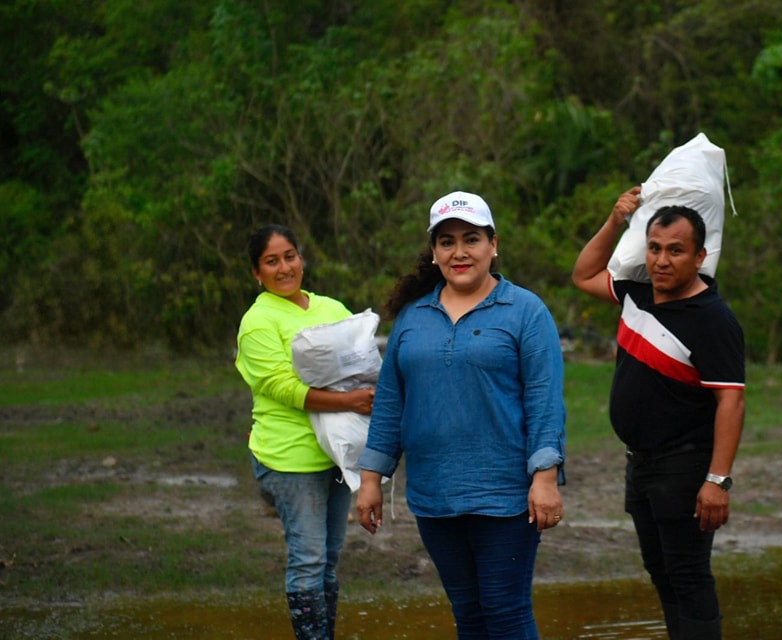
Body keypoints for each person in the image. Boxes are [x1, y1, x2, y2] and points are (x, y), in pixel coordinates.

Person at [356, 191, 566, 639]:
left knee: (505, 612)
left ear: (493, 244)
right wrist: (372, 480)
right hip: (435, 493)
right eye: (447, 242)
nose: (460, 252)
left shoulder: (526, 311)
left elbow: (545, 400)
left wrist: (545, 478)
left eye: (471, 239)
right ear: (434, 253)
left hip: (505, 495)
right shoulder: (413, 317)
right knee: (468, 614)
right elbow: (391, 402)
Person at [571, 188, 745, 640]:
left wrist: (717, 481)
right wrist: (614, 221)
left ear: (700, 256)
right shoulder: (637, 293)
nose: (662, 261)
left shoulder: (713, 318)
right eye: (654, 248)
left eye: (675, 251)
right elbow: (584, 273)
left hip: (684, 468)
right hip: (641, 464)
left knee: (688, 574)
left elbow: (731, 400)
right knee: (661, 571)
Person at [235, 223, 376, 640]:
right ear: (256, 273)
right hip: (290, 459)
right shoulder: (258, 321)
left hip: (336, 453)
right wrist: (350, 401)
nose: (284, 267)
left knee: (329, 560)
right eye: (271, 261)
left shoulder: (331, 308)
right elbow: (282, 387)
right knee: (309, 560)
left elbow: (362, 360)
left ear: (301, 258)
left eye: (290, 256)